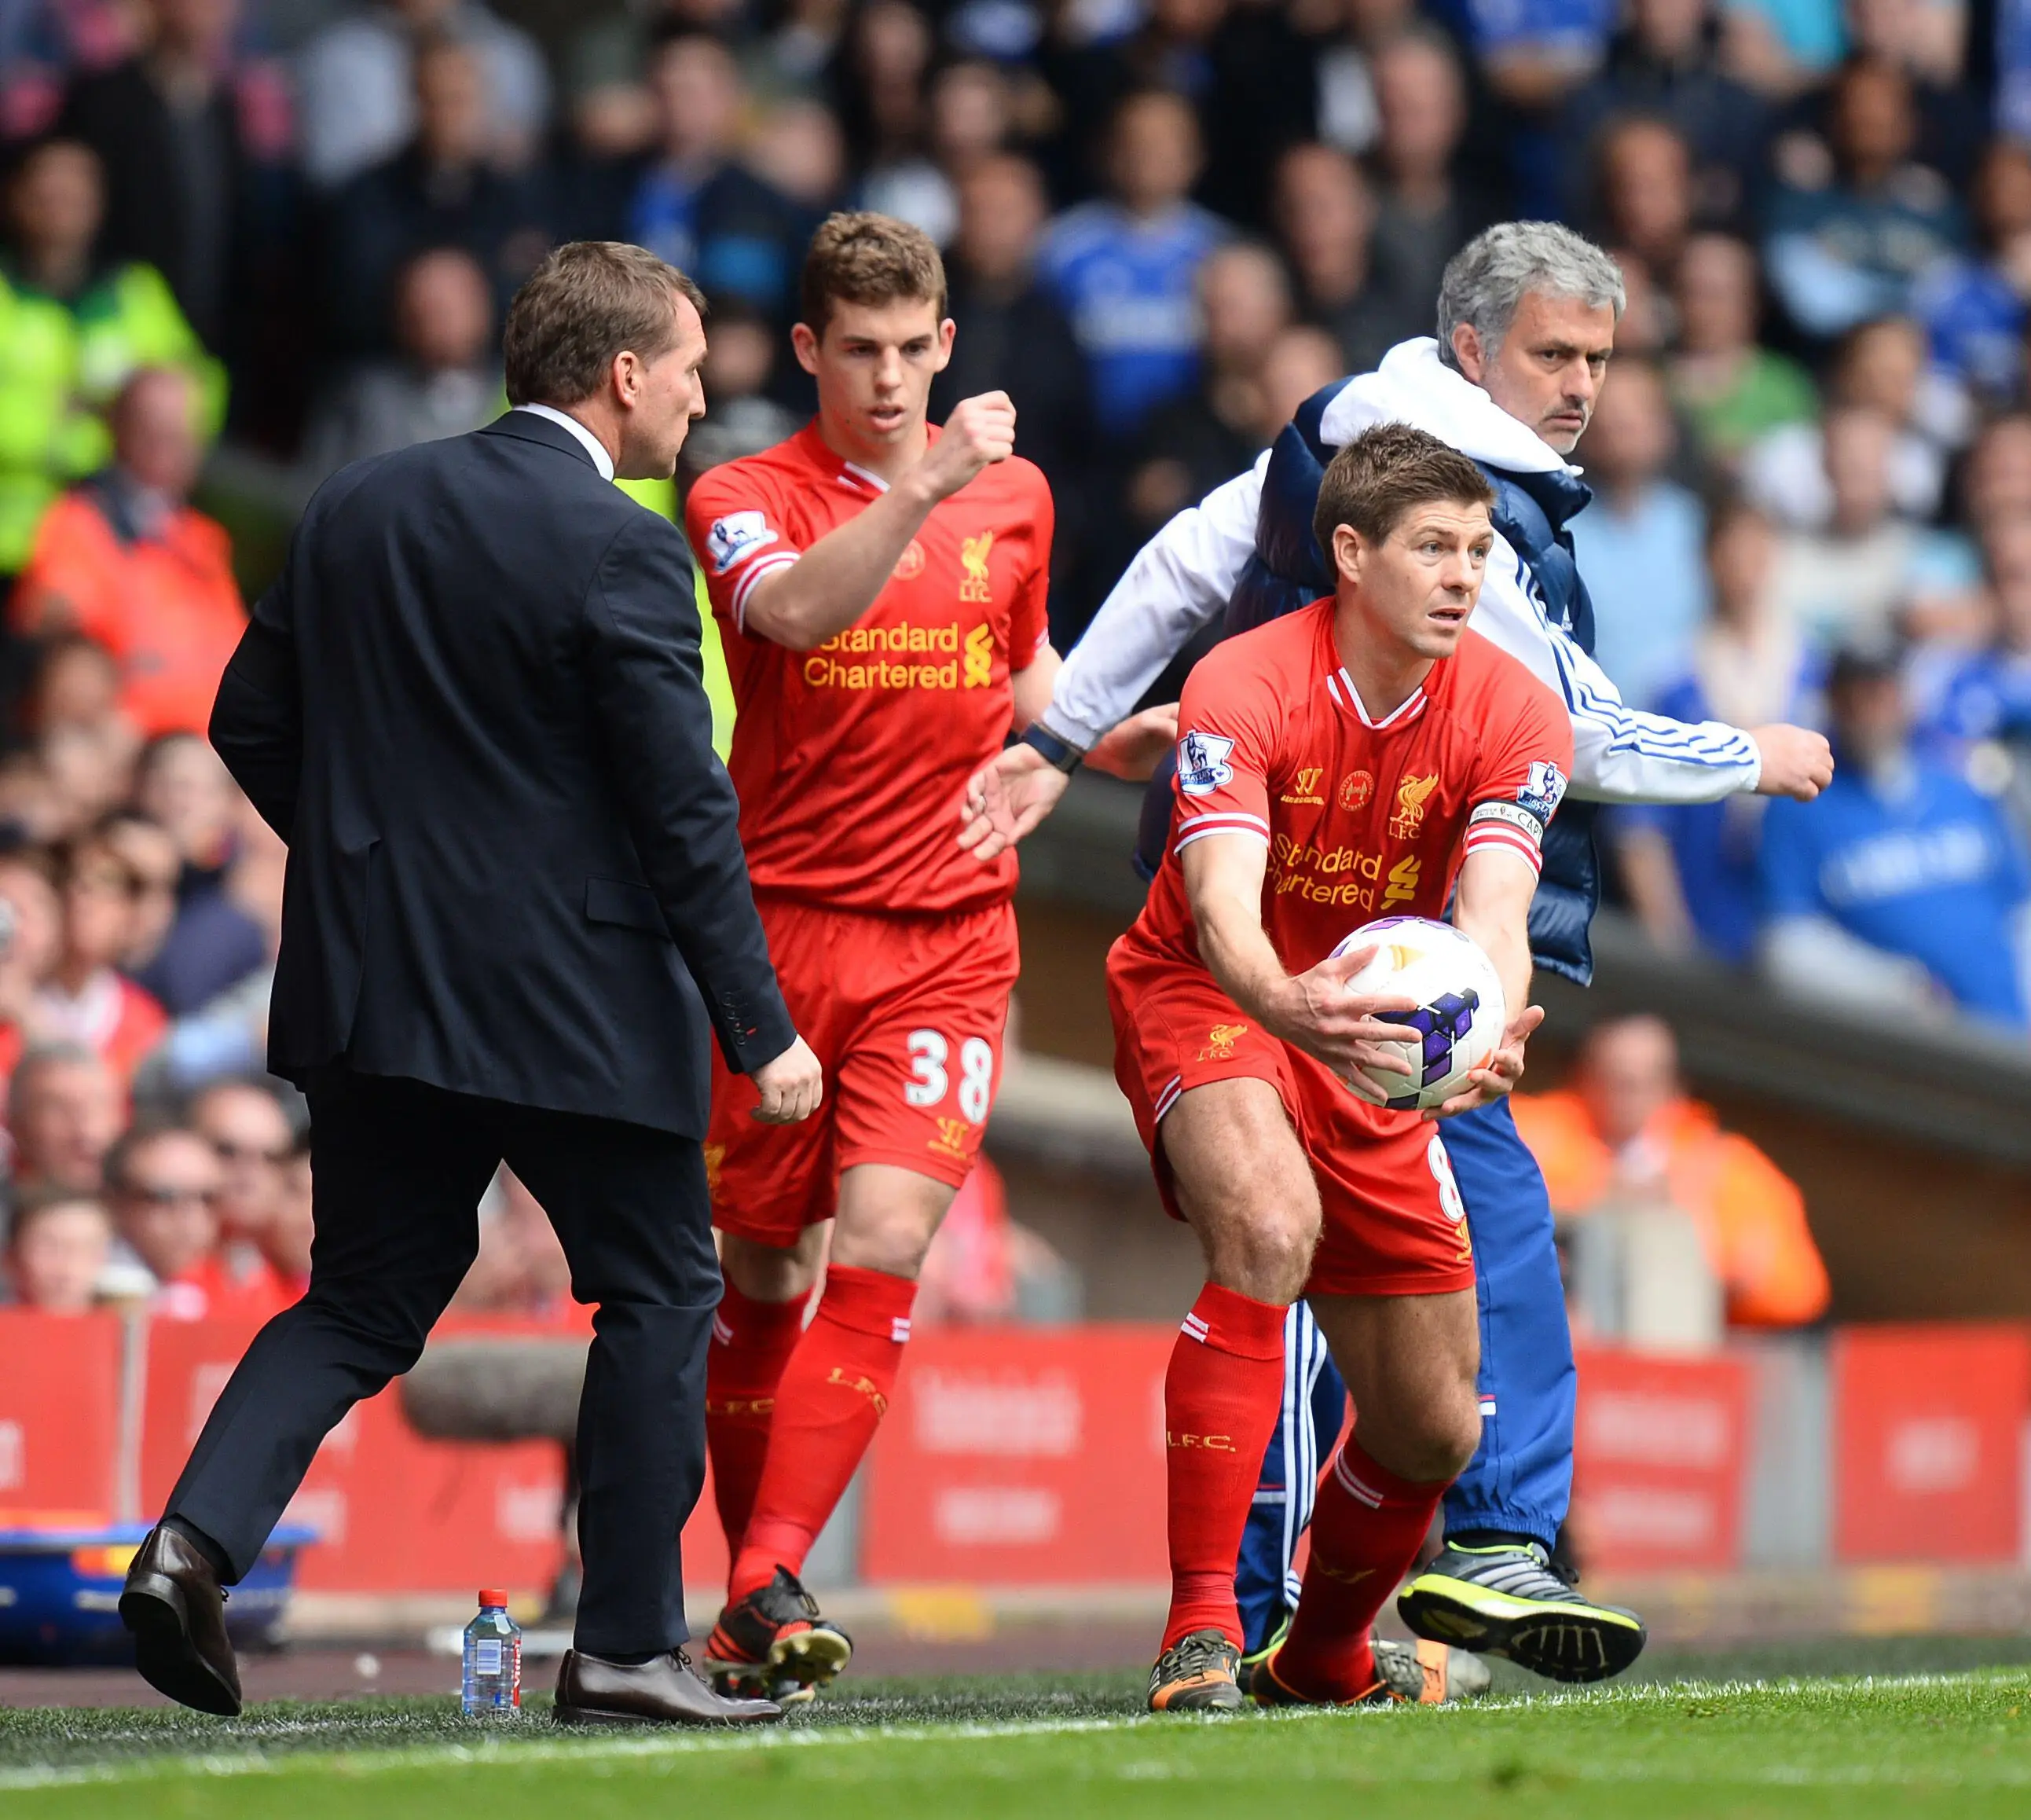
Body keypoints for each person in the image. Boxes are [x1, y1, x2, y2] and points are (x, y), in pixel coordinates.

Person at [961, 221, 1833, 1684]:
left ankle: (1391, 1585)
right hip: (1251, 956)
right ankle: (1278, 1592)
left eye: (1601, 362)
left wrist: (1481, 1009)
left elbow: (1496, 864)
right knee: (1282, 1238)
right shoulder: (1382, 555)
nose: (1581, 389)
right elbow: (1592, 736)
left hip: (1409, 978)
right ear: (1475, 350)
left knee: (1430, 1342)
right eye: (1555, 354)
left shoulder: (1383, 484)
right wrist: (1748, 750)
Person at [119, 240, 821, 1729]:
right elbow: (679, 809)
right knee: (663, 1284)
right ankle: (628, 1645)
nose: (699, 404)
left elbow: (248, 721)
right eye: (690, 374)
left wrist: (377, 860)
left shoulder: (359, 498)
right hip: (572, 1002)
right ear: (624, 375)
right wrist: (762, 1027)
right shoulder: (626, 544)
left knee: (365, 1300)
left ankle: (189, 1545)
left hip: (378, 986)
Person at [680, 212, 1173, 1703]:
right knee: (766, 1271)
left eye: (916, 351)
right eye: (863, 352)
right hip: (774, 940)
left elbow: (1022, 671)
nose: (891, 380)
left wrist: (1117, 736)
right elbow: (790, 612)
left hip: (952, 938)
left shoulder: (1014, 498)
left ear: (947, 343)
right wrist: (923, 485)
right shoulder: (740, 493)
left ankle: (765, 1575)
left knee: (884, 1244)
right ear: (809, 349)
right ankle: (750, 1580)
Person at [1109, 422, 1562, 1710]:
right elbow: (1221, 912)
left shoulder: (1517, 713)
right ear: (1351, 553)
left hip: (1372, 1045)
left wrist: (1481, 1032)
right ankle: (1200, 1629)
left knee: (1433, 1425)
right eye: (1435, 548)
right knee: (1265, 1221)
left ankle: (1323, 1656)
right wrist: (1288, 1008)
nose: (1466, 575)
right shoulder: (1245, 681)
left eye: (1480, 550)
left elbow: (1493, 921)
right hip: (1217, 993)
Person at [1760, 639, 2031, 1029]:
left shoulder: (1960, 787)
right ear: (1834, 701)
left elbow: (2019, 909)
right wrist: (1895, 989)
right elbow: (1786, 945)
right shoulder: (1802, 803)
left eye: (1882, 690)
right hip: (1905, 1047)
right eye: (1857, 694)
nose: (1872, 708)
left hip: (2007, 1029)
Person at [1514, 1015, 1831, 1329]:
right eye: (1614, 1076)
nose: (1627, 1092)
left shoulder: (1725, 1167)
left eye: (1645, 1079)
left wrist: (1719, 1248)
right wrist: (1595, 1195)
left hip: (1670, 1347)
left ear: (1674, 1086)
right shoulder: (1535, 1132)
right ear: (1583, 1075)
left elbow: (1799, 1290)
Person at [11, 366, 247, 739]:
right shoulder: (78, 524)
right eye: (155, 431)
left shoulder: (204, 540)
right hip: (134, 752)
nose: (170, 448)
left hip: (213, 755)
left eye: (183, 434)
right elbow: (59, 660)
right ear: (119, 431)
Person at [1038, 90, 1228, 441]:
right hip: (1086, 447)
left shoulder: (1221, 252)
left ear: (1195, 156)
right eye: (1135, 142)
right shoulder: (1059, 249)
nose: (1147, 156)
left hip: (1193, 449)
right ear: (1109, 152)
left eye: (1164, 143)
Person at [8, 1040, 120, 1196]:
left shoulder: (151, 1208)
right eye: (58, 1109)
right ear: (16, 1125)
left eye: (98, 1106)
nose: (84, 1131)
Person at [2, 1187, 112, 1312]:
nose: (69, 1268)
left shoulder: (131, 1327)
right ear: (10, 1257)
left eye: (89, 1248)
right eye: (51, 1248)